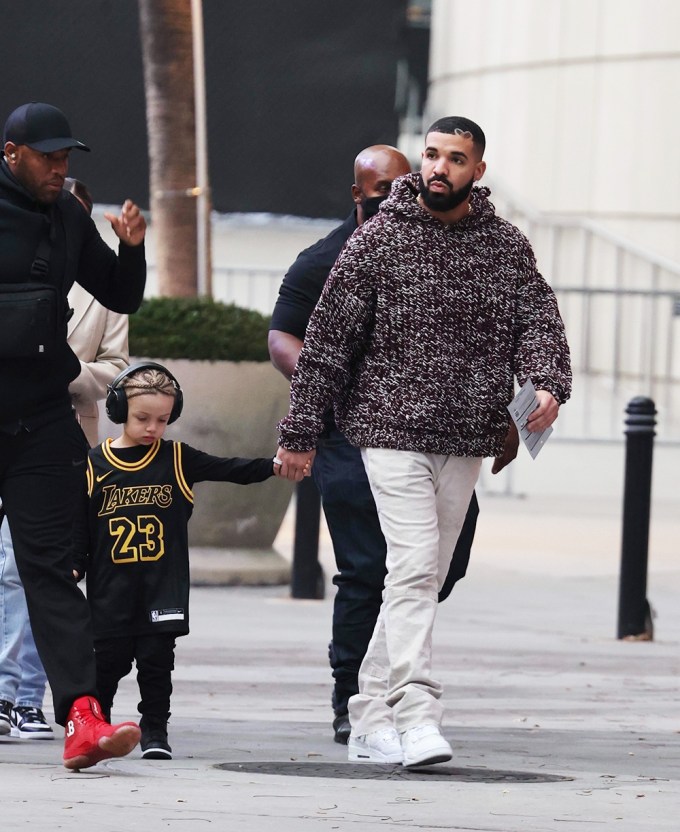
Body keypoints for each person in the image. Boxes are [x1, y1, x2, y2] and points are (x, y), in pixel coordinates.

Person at [275, 117, 572, 768]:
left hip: (464, 436)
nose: (439, 168)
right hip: (388, 431)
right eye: (432, 155)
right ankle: (417, 715)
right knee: (410, 569)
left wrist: (546, 385)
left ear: (477, 171)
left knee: (425, 579)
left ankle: (367, 714)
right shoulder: (378, 241)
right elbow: (324, 345)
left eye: (456, 159)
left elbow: (539, 323)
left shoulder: (505, 247)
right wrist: (299, 433)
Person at [268, 144, 491, 746]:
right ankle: (359, 702)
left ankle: (383, 693)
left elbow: (502, 332)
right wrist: (328, 401)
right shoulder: (326, 260)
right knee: (372, 569)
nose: (395, 197)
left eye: (405, 184)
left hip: (441, 435)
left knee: (436, 568)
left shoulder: (456, 250)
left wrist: (508, 414)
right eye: (378, 192)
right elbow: (287, 341)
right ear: (357, 195)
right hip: (349, 438)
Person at [0, 101, 147, 769]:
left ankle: (82, 718)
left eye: (66, 157)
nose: (60, 168)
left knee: (53, 572)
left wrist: (133, 245)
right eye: (48, 157)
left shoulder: (67, 216)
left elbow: (120, 293)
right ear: (12, 154)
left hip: (40, 422)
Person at [72, 362, 290, 760]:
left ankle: (155, 731)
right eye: (142, 418)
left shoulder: (177, 458)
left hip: (162, 586)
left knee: (157, 665)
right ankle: (96, 730)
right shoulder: (94, 464)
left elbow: (232, 469)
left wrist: (274, 466)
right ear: (119, 411)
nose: (153, 428)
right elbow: (81, 528)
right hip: (111, 590)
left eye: (162, 419)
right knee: (108, 665)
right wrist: (74, 563)